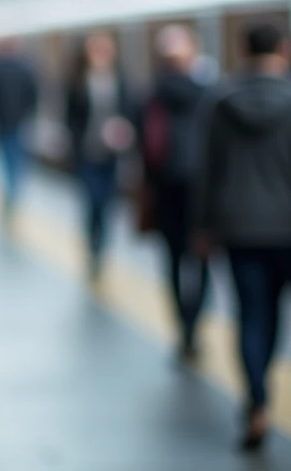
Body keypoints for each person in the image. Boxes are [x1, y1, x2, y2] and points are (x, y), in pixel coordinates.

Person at [195, 22, 291, 452]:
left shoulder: (219, 99)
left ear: (241, 49)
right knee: (275, 315)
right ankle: (262, 390)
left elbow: (206, 169)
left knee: (251, 314)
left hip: (237, 225)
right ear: (283, 49)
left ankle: (256, 401)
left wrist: (202, 226)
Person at [140, 25, 211, 362]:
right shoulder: (206, 92)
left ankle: (182, 326)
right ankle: (194, 325)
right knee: (202, 261)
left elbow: (144, 146)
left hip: (165, 187)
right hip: (200, 188)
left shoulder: (153, 94)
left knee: (172, 261)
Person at [65, 30, 135, 281]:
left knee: (107, 203)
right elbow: (70, 117)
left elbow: (130, 110)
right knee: (92, 201)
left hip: (112, 153)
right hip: (87, 152)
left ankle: (102, 247)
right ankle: (92, 245)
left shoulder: (120, 79)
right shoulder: (79, 80)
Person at [0, 37, 38, 214]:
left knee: (5, 156)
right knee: (16, 157)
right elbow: (33, 93)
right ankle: (14, 190)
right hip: (19, 121)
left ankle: (10, 190)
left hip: (0, 120)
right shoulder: (25, 68)